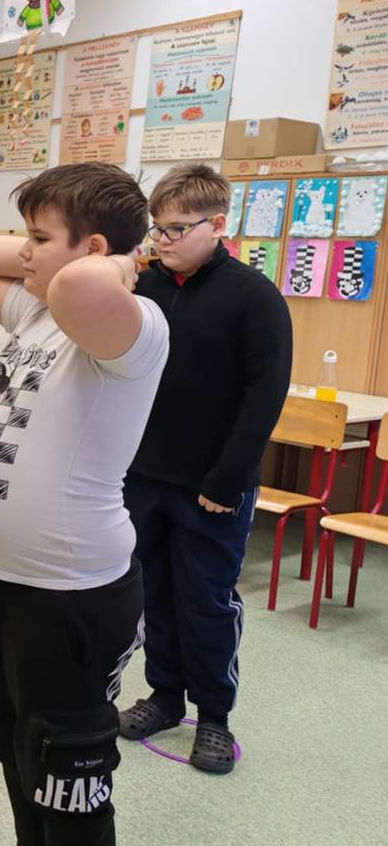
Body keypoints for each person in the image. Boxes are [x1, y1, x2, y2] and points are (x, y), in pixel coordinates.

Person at [0, 163, 169, 845]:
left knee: (67, 779)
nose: (23, 252)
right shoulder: (38, 312)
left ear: (95, 250)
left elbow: (80, 282)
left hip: (68, 594)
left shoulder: (136, 327)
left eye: (38, 238)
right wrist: (49, 246)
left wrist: (122, 260)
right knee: (15, 747)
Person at [118, 164, 292, 773]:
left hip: (212, 486)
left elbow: (264, 394)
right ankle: (165, 695)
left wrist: (228, 478)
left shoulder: (254, 296)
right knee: (154, 594)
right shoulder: (144, 287)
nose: (162, 240)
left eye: (175, 229)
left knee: (207, 601)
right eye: (156, 228)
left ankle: (214, 715)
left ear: (217, 225)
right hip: (145, 476)